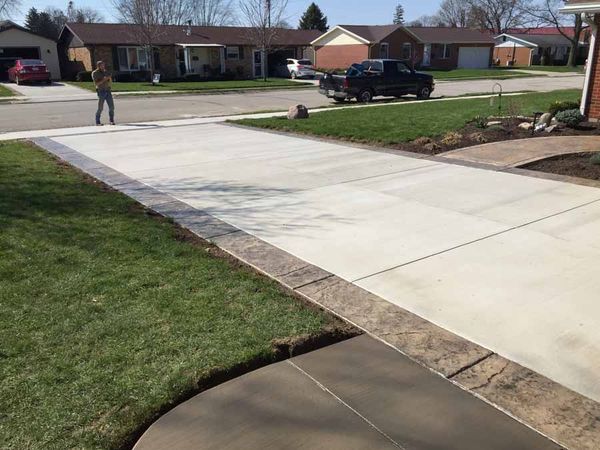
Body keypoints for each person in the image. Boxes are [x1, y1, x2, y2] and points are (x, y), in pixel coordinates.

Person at [91, 61, 115, 126]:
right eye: (101, 65)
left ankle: (111, 120)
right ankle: (97, 121)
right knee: (100, 108)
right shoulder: (95, 73)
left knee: (111, 107)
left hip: (108, 90)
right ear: (98, 66)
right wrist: (104, 79)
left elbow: (109, 80)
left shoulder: (106, 72)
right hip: (101, 91)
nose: (103, 67)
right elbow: (96, 84)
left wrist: (109, 81)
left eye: (103, 65)